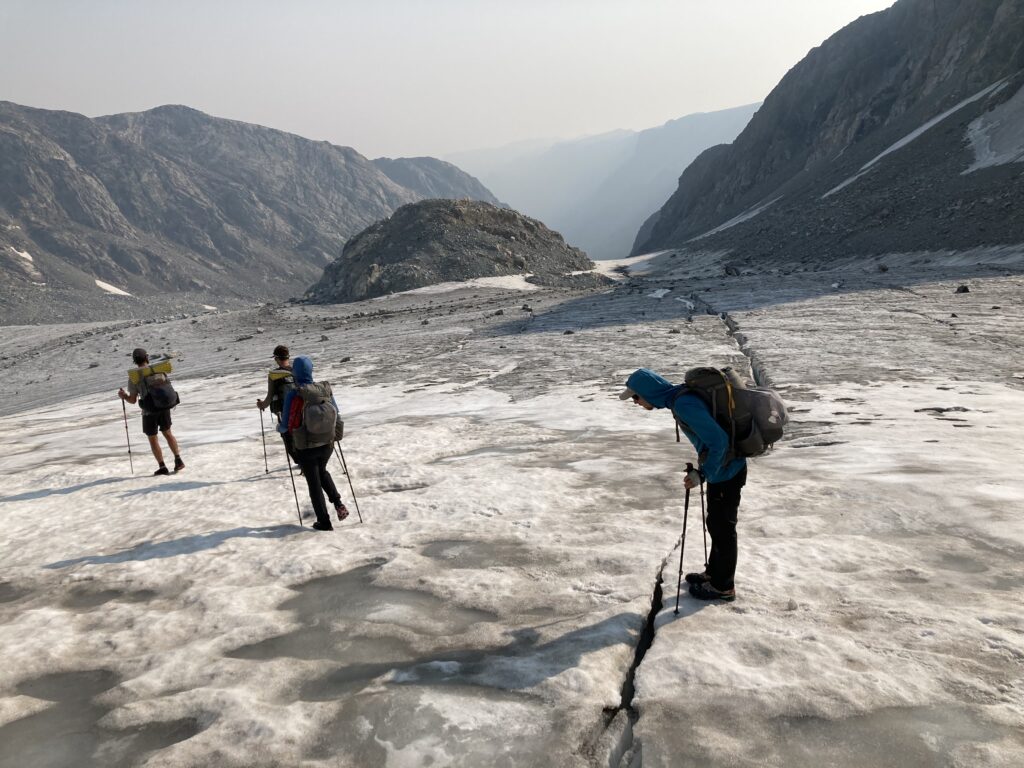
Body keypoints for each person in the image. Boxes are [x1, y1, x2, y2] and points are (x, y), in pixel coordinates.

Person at [620, 368, 746, 602]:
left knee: (723, 529)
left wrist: (703, 473)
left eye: (636, 397)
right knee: (716, 524)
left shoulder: (684, 404)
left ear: (647, 392)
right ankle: (714, 574)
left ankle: (723, 586)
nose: (635, 402)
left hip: (727, 472)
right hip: (724, 471)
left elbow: (719, 441)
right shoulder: (679, 399)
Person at [280, 356, 349, 530]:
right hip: (327, 443)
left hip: (306, 446)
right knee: (322, 471)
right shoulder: (324, 389)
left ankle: (324, 522)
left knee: (314, 482)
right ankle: (338, 503)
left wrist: (280, 429)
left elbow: (285, 424)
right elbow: (336, 412)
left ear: (295, 371)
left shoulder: (294, 393)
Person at [118, 347, 185, 476]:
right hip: (164, 407)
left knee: (153, 439)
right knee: (168, 433)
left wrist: (123, 396)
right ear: (147, 357)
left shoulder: (134, 376)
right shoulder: (158, 369)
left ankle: (162, 466)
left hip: (149, 411)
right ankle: (178, 459)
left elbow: (132, 400)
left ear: (134, 361)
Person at [257, 344, 299, 464]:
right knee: (300, 434)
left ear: (276, 358)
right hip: (300, 409)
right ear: (288, 357)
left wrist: (261, 405)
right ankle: (306, 461)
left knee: (288, 437)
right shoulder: (296, 371)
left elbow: (269, 398)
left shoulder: (274, 375)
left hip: (284, 412)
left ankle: (299, 461)